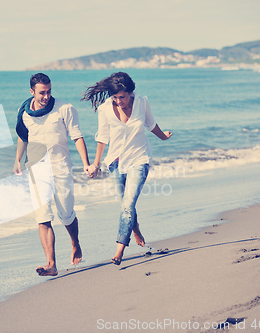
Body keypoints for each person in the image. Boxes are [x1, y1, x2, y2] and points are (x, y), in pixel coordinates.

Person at [82, 72, 172, 265]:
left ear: (130, 92)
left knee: (127, 204)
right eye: (114, 97)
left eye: (121, 97)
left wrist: (163, 137)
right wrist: (95, 164)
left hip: (139, 159)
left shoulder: (142, 102)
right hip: (115, 162)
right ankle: (135, 228)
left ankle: (119, 249)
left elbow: (150, 124)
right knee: (126, 204)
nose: (118, 101)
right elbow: (102, 137)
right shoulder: (105, 109)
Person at [13, 73, 91, 276]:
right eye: (42, 93)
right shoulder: (24, 113)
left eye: (49, 92)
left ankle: (75, 242)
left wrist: (86, 164)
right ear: (31, 91)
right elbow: (23, 137)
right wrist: (17, 160)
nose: (46, 96)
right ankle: (51, 264)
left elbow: (77, 136)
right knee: (43, 217)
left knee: (66, 214)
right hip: (37, 169)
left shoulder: (65, 109)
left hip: (60, 167)